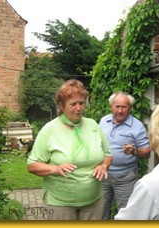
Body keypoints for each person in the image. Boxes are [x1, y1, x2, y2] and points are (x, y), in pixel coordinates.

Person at [27, 79, 112, 220]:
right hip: (60, 203)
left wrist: (104, 165)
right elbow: (32, 165)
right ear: (61, 105)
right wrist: (55, 169)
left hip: (94, 201)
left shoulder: (93, 126)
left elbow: (108, 155)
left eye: (81, 103)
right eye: (73, 104)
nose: (78, 108)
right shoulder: (49, 130)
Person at [99, 92, 151, 220]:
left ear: (130, 108)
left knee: (126, 215)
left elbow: (147, 152)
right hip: (103, 174)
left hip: (125, 178)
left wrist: (133, 151)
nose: (120, 110)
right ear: (111, 107)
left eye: (124, 107)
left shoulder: (137, 126)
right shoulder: (103, 121)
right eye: (117, 107)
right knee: (99, 212)